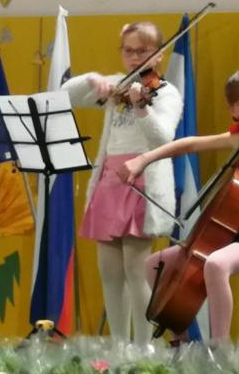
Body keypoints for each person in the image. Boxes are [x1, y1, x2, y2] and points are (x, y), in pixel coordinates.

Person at [118, 68, 239, 342]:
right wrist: (143, 160)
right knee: (155, 265)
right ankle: (182, 345)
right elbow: (189, 145)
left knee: (216, 265)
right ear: (233, 111)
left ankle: (219, 353)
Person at [61, 21, 182, 345]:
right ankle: (119, 347)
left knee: (136, 269)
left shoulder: (165, 92)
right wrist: (92, 80)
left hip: (142, 183)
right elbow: (66, 94)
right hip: (110, 182)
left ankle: (144, 348)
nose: (135, 57)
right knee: (110, 271)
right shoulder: (118, 85)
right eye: (128, 51)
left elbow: (163, 138)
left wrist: (142, 107)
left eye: (142, 51)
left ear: (159, 54)